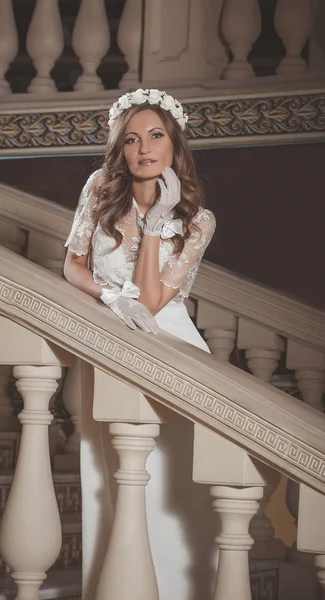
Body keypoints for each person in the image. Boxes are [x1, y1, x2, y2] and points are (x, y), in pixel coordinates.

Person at [64, 89, 217, 599]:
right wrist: (109, 294)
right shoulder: (100, 188)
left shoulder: (198, 221)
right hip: (110, 342)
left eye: (155, 136)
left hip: (170, 347)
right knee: (109, 480)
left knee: (170, 494)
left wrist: (156, 223)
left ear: (175, 146)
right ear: (120, 149)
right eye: (131, 139)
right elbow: (74, 264)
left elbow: (151, 299)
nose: (143, 148)